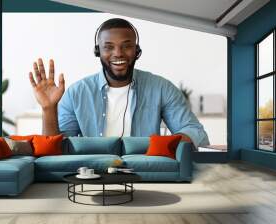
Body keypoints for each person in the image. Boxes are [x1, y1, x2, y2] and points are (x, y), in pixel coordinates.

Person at [28, 18, 209, 147]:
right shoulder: (77, 93)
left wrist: (164, 146)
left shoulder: (161, 88)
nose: (118, 53)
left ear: (137, 51)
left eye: (126, 46)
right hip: (92, 174)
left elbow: (195, 132)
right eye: (109, 47)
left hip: (143, 172)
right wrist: (48, 109)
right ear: (98, 51)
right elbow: (55, 148)